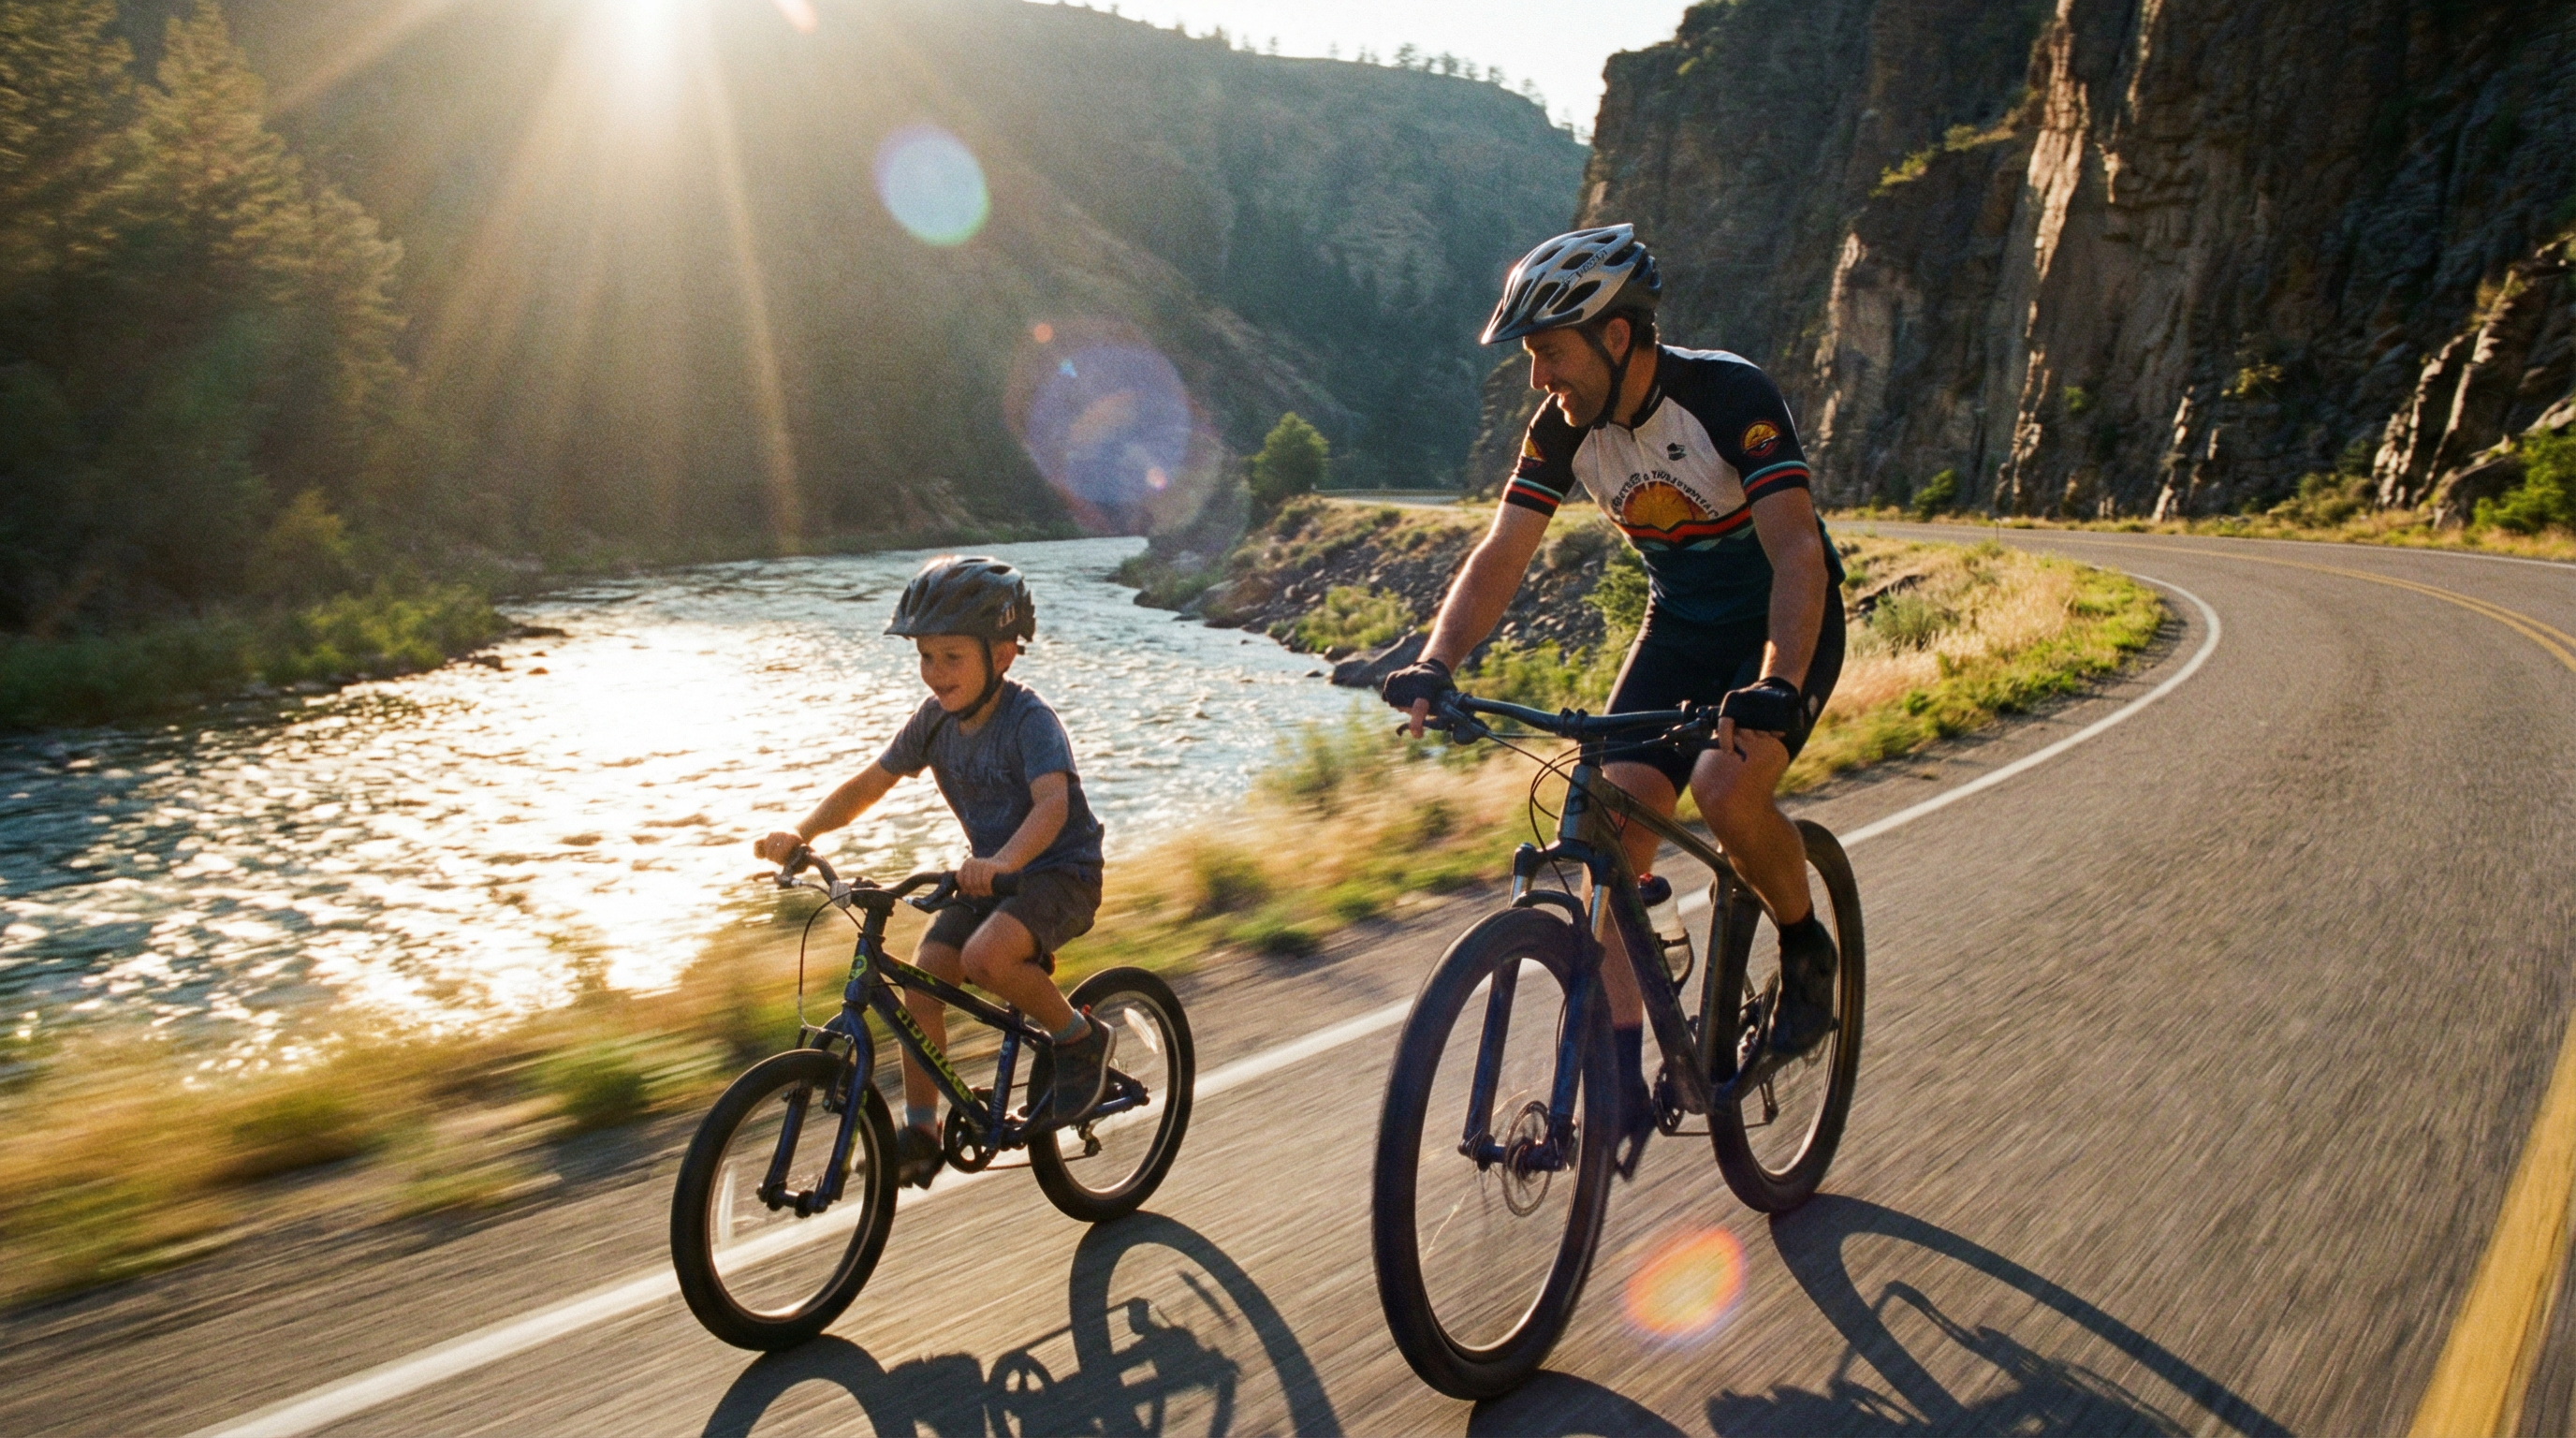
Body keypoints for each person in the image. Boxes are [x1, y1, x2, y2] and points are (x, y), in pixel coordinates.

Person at [1380, 224, 1847, 1169]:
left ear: (1618, 336)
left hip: (1777, 625)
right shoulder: (1561, 429)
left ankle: (1806, 953)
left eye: (1550, 353)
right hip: (1677, 629)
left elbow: (1796, 552)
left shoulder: (1729, 396)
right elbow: (1502, 555)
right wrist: (1437, 659)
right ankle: (1622, 1082)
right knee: (1602, 827)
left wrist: (1778, 682)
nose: (1539, 378)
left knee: (1723, 791)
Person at [754, 556, 1111, 1190]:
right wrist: (803, 834)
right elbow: (872, 782)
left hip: (1059, 871)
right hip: (985, 875)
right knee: (924, 978)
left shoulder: (1030, 721)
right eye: (925, 656)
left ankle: (1079, 1040)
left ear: (1001, 655)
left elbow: (1053, 804)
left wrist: (1003, 862)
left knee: (987, 959)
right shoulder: (934, 720)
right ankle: (922, 1133)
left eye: (952, 657)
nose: (935, 673)